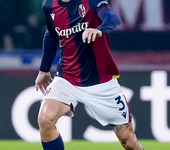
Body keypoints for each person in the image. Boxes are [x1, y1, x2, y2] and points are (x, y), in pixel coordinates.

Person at [35, 0, 144, 149]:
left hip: (101, 82)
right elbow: (52, 34)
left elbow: (112, 17)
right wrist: (44, 69)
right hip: (67, 78)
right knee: (45, 119)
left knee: (128, 141)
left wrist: (100, 30)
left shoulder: (91, 1)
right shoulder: (49, 5)